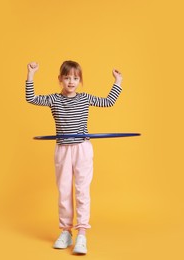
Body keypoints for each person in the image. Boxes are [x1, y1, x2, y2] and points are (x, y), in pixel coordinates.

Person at [25, 60, 123, 255]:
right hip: (62, 149)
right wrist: (31, 74)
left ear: (80, 81)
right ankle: (65, 231)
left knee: (82, 190)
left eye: (75, 78)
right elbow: (31, 98)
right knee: (64, 191)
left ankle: (82, 234)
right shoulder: (54, 99)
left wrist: (118, 81)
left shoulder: (85, 98)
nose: (71, 81)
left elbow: (108, 102)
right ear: (60, 79)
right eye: (67, 77)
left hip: (82, 148)